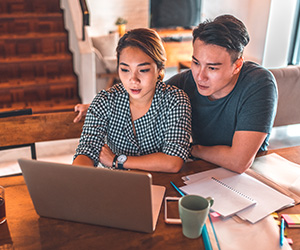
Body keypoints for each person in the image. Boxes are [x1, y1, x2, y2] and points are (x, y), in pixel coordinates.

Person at [74, 15, 277, 174]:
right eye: (196, 62)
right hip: (199, 172)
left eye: (212, 68)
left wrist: (191, 149)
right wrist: (95, 106)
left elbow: (239, 162)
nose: (200, 76)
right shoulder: (186, 82)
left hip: (249, 176)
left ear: (237, 65)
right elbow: (145, 92)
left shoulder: (258, 83)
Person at [73, 28, 192, 173]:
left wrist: (117, 160)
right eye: (125, 69)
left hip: (162, 184)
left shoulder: (175, 101)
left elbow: (173, 161)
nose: (133, 80)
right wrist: (77, 178)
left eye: (143, 70)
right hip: (118, 186)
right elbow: (87, 150)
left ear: (159, 68)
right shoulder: (105, 101)